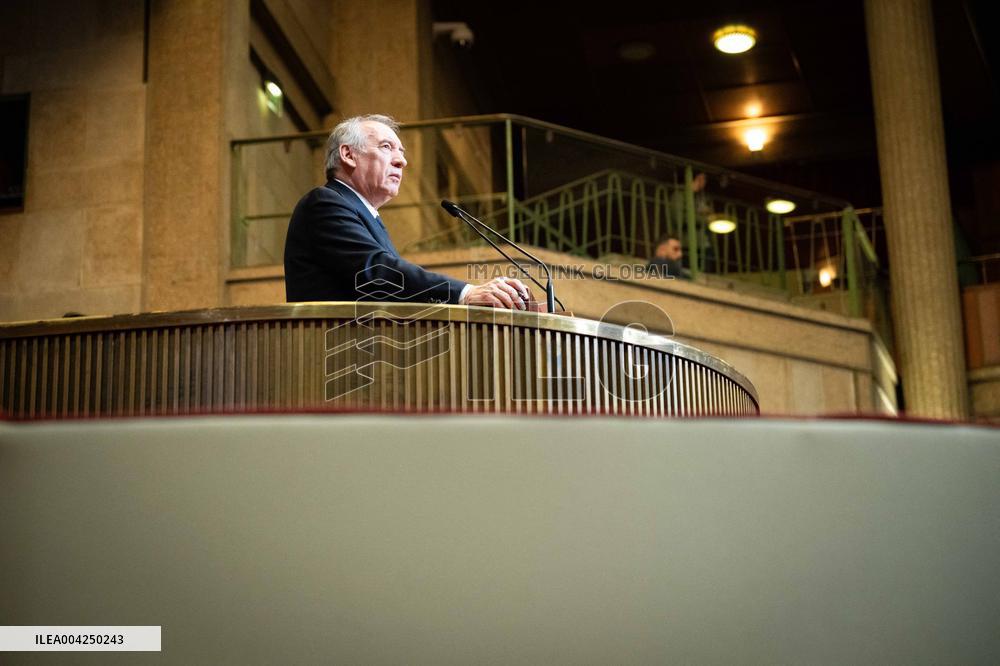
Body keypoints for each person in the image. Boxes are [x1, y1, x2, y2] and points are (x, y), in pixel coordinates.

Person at [284, 114, 533, 310]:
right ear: (348, 154)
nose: (401, 161)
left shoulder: (364, 215)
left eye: (401, 152)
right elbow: (377, 273)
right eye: (386, 147)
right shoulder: (325, 203)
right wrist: (465, 293)